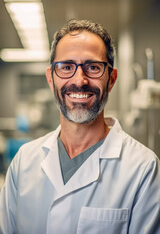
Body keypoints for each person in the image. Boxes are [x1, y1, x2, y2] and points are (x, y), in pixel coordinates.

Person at [0, 19, 160, 234]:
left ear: (111, 79)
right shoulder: (24, 161)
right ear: (51, 78)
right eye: (66, 67)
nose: (80, 80)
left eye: (93, 67)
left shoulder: (144, 168)